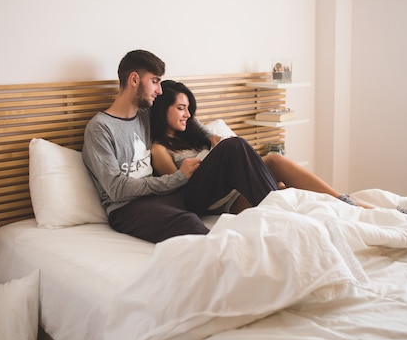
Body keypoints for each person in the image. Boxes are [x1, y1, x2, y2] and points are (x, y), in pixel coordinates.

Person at [82, 50, 283, 243]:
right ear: (134, 79)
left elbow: (190, 121)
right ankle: (231, 257)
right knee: (188, 223)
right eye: (155, 81)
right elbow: (117, 189)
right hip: (128, 208)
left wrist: (211, 136)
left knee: (235, 146)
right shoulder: (100, 128)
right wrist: (177, 178)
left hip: (169, 196)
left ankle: (283, 219)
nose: (159, 90)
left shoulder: (146, 114)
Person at [150, 79, 364, 213]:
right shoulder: (159, 149)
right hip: (203, 200)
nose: (187, 115)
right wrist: (212, 158)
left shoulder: (194, 133)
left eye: (189, 109)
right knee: (235, 146)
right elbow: (177, 191)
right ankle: (284, 211)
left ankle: (344, 202)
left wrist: (212, 140)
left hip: (233, 191)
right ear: (162, 109)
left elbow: (203, 130)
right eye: (180, 108)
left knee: (275, 160)